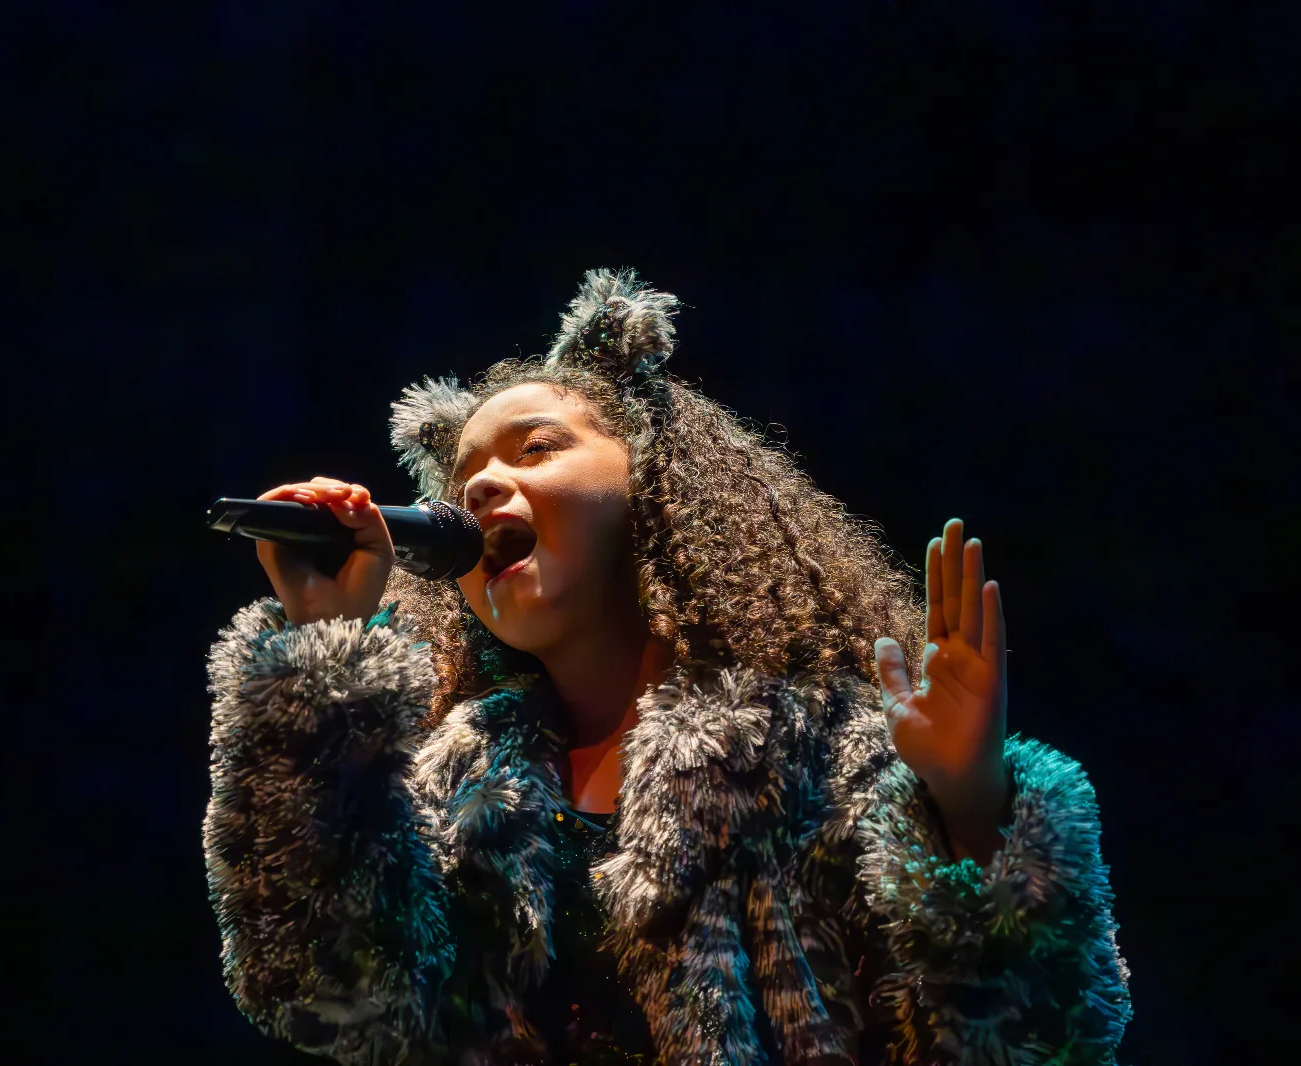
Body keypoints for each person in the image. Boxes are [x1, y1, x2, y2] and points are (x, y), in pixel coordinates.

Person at [203, 269, 1131, 1065]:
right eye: (460, 484)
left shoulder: (820, 750)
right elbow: (317, 994)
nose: (480, 485)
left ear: (652, 480)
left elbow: (1037, 1042)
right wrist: (320, 655)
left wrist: (970, 805)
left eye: (536, 449)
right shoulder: (455, 780)